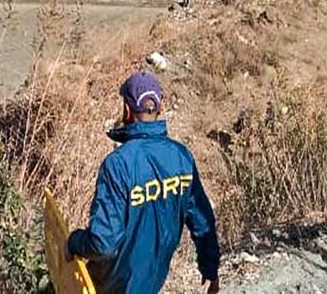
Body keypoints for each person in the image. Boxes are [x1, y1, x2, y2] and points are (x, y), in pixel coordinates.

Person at [68, 71, 221, 294]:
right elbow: (202, 222)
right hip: (151, 284)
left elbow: (103, 243)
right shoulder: (181, 157)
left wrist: (74, 242)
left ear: (127, 110)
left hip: (113, 287)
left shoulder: (118, 165)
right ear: (160, 107)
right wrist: (210, 269)